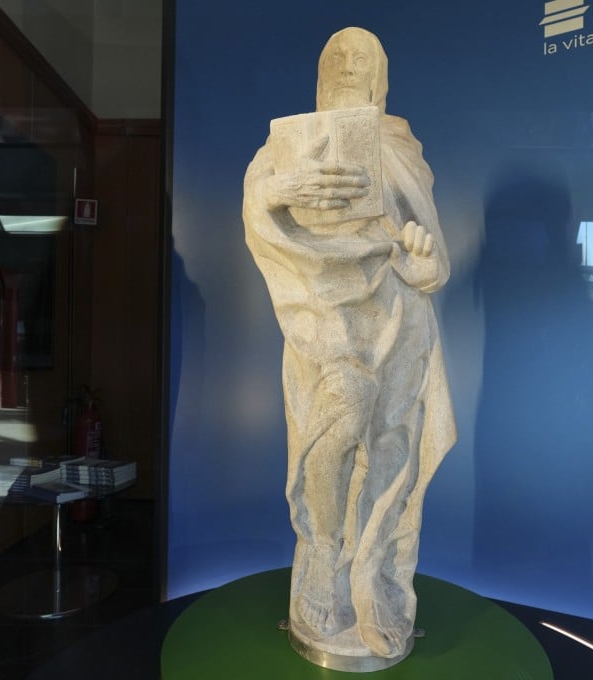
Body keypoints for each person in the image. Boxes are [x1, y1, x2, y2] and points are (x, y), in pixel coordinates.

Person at [242, 27, 456, 663]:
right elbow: (256, 212)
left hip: (398, 319)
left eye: (361, 57)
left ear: (381, 75)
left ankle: (377, 589)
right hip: (323, 317)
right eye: (336, 56)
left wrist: (420, 260)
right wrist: (279, 193)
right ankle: (323, 563)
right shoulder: (284, 147)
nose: (347, 65)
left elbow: (432, 261)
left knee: (391, 453)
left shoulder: (401, 147)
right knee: (334, 429)